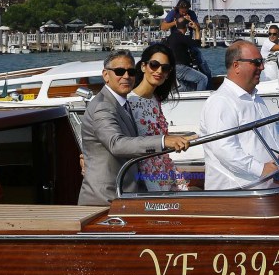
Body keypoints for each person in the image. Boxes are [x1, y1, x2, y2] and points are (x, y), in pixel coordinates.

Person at [78, 50, 193, 206]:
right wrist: (164, 141)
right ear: (105, 75)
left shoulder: (123, 103)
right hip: (105, 200)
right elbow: (116, 144)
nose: (126, 76)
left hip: (127, 192)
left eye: (131, 72)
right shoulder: (103, 106)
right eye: (119, 71)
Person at [199, 40, 279, 190]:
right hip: (236, 195)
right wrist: (260, 169)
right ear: (236, 66)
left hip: (266, 190)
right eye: (256, 62)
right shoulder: (221, 101)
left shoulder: (255, 98)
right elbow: (224, 148)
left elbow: (272, 140)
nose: (262, 67)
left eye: (262, 61)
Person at [127, 43, 191, 191]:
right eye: (154, 65)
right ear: (143, 66)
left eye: (165, 68)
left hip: (164, 169)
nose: (159, 71)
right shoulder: (129, 101)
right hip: (143, 176)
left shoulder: (155, 99)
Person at [166, 17, 208, 91]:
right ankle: (198, 100)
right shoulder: (182, 37)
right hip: (181, 67)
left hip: (173, 68)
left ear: (176, 25)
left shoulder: (170, 37)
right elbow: (197, 44)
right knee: (203, 79)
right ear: (186, 26)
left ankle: (170, 95)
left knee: (187, 88)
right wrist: (197, 30)